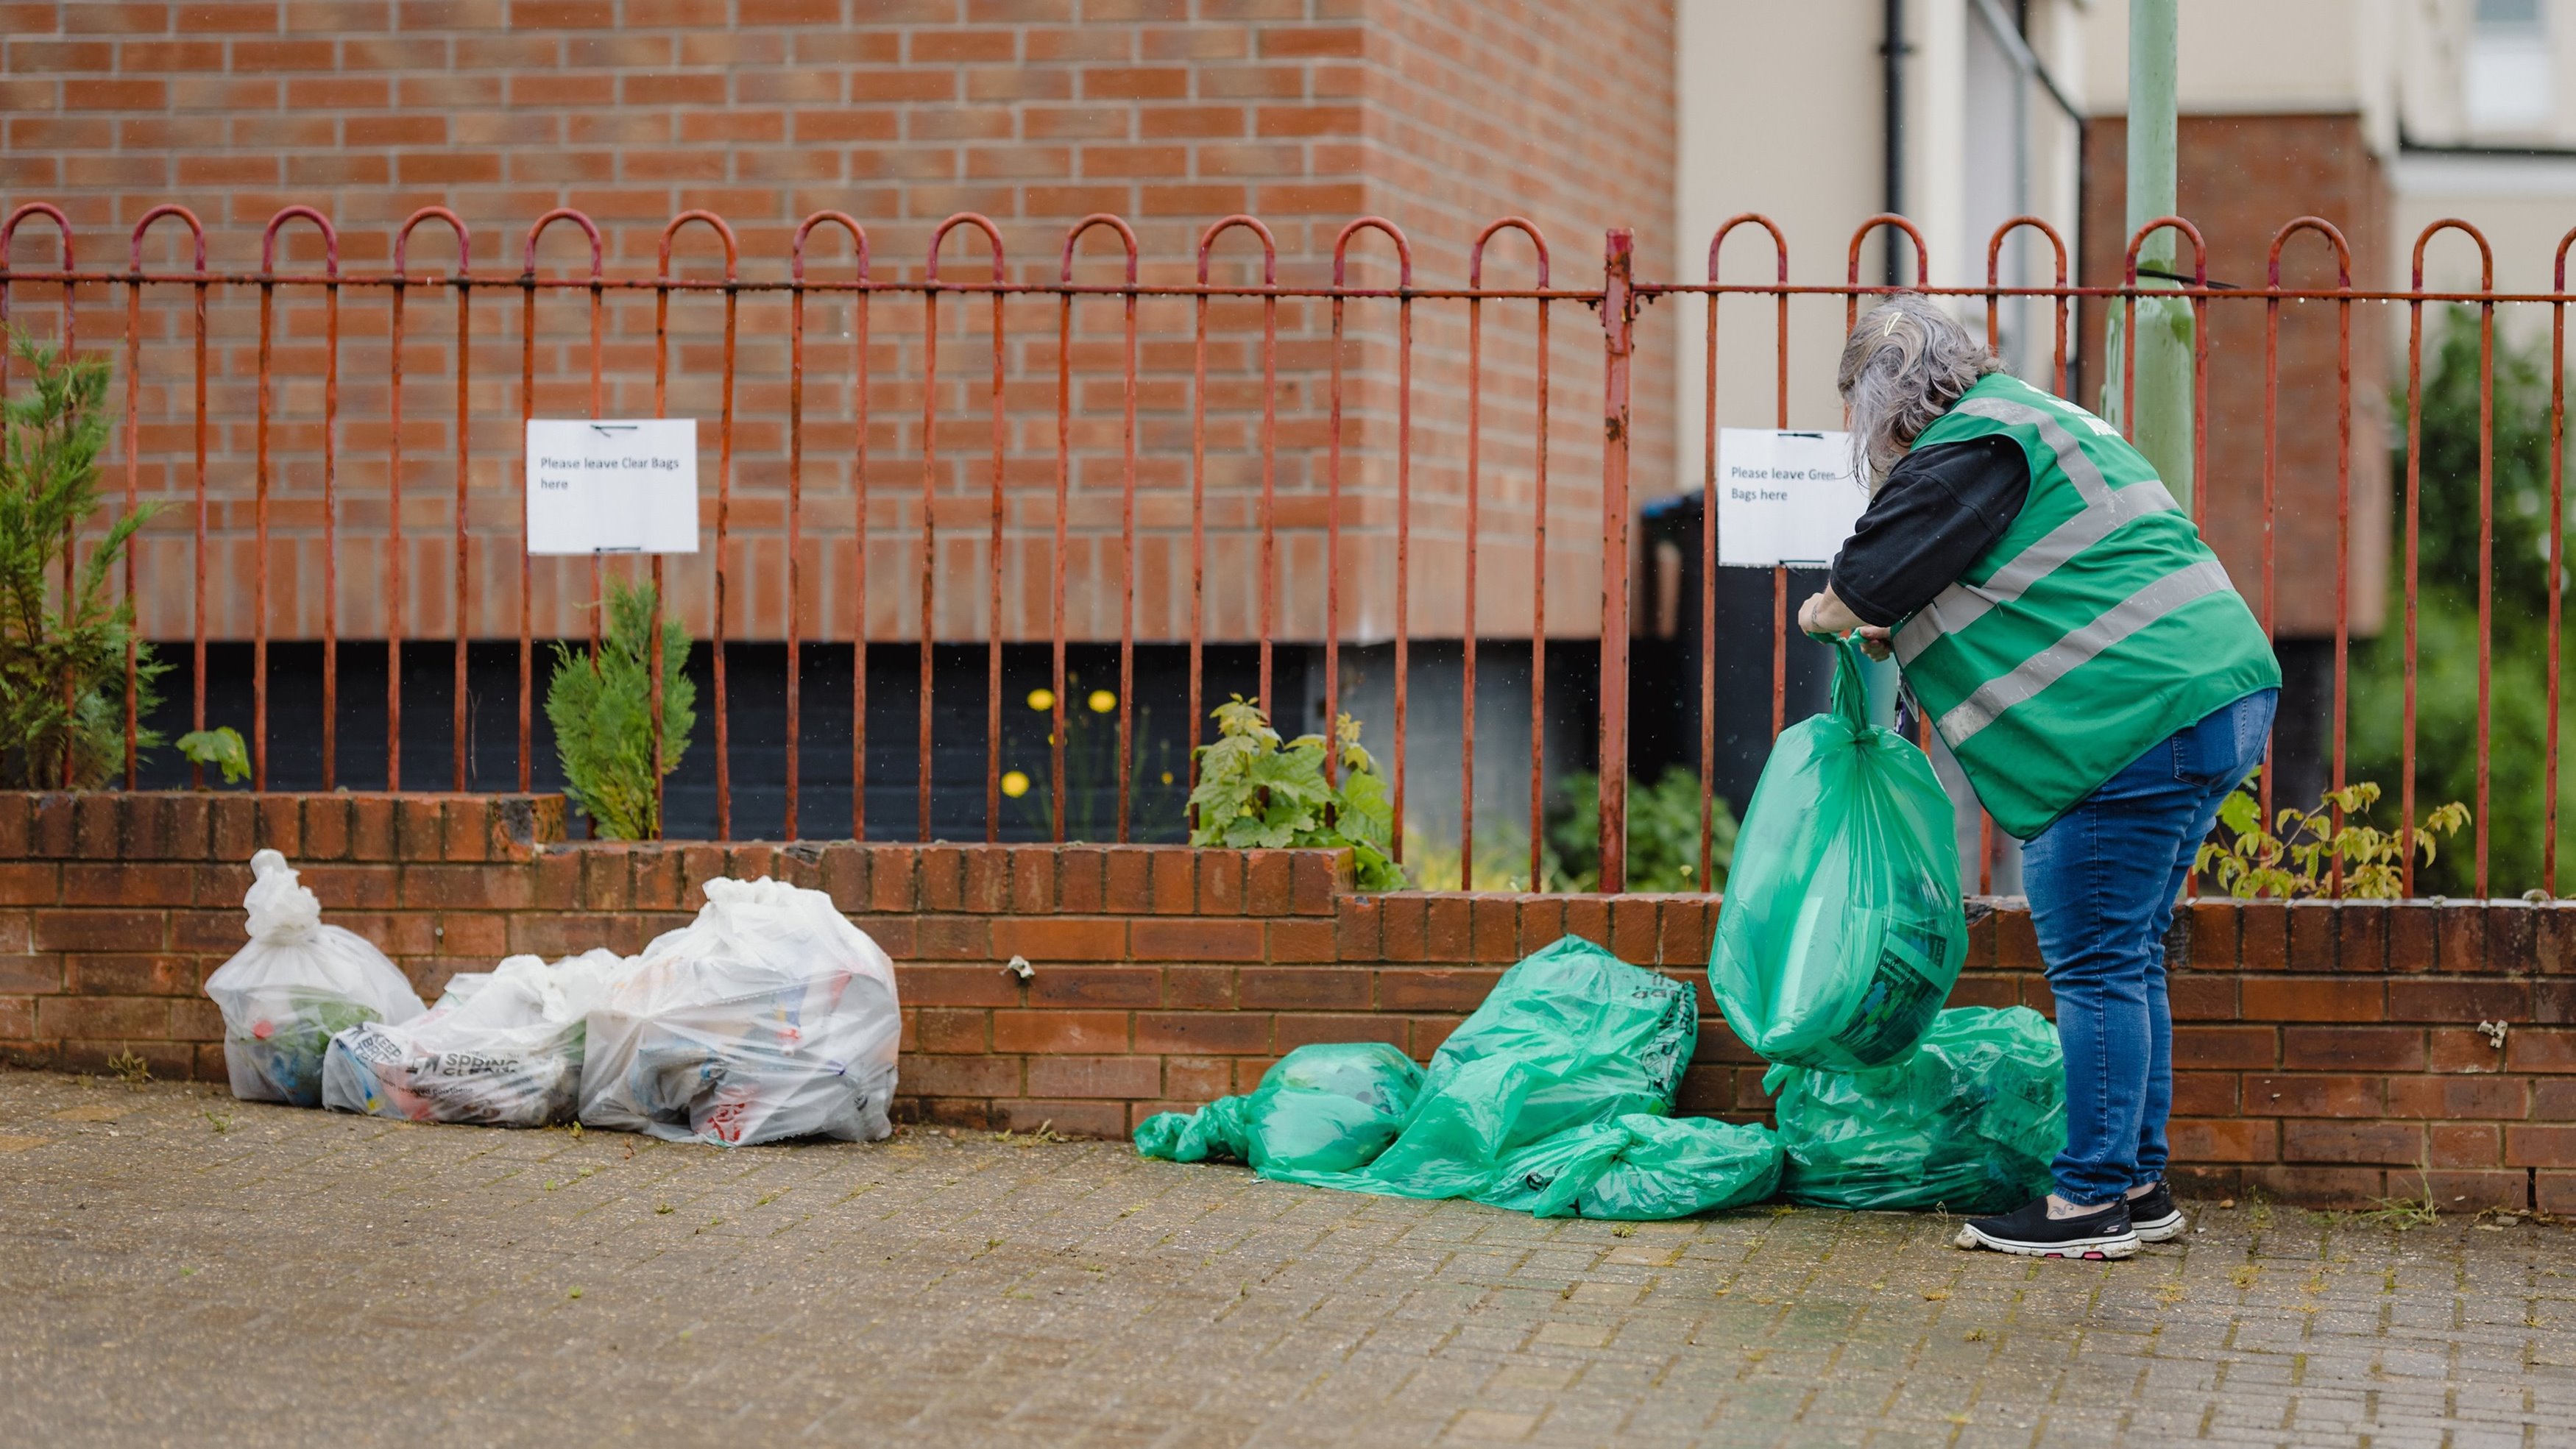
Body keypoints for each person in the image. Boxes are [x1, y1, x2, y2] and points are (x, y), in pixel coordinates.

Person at [1798, 293, 2279, 1261]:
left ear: (1891, 400)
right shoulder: (2030, 420)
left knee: (2098, 961)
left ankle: (2091, 1201)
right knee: (2130, 952)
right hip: (2217, 692)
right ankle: (2137, 1184)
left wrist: (1826, 613)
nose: (1871, 437)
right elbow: (2011, 574)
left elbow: (1859, 584)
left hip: (2138, 723)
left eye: (1865, 410)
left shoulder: (1964, 452)